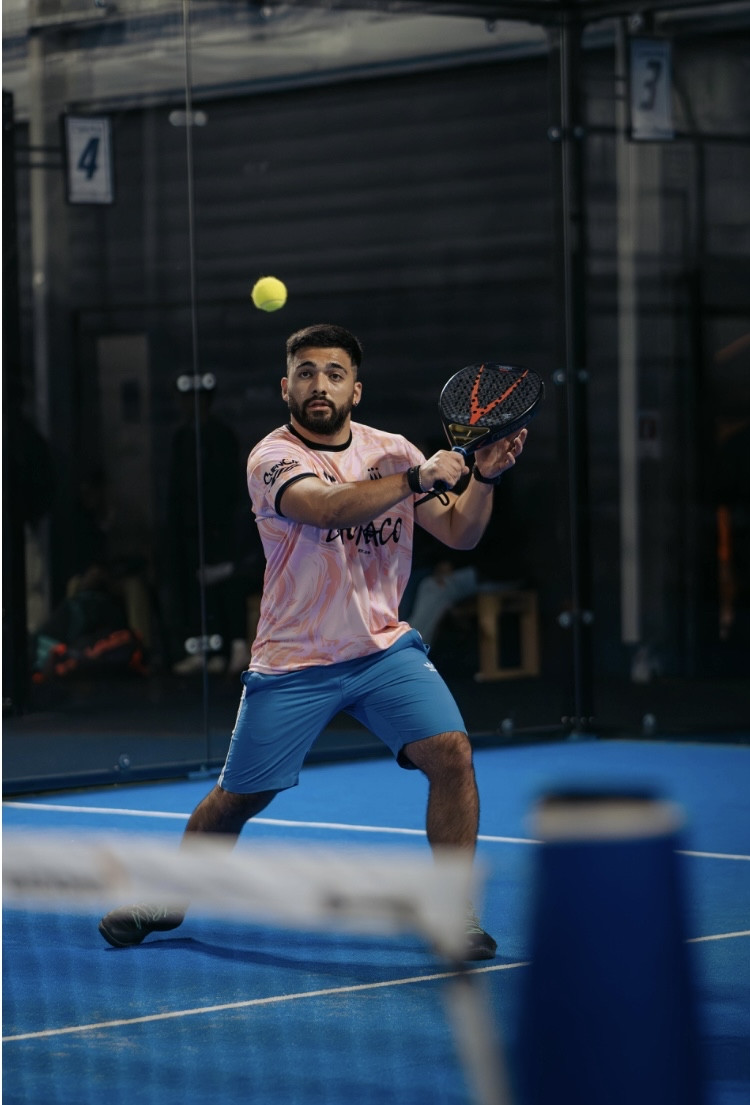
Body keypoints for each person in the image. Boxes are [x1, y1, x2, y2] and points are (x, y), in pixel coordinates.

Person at [99, 324, 528, 960]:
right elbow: (326, 508)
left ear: (357, 389)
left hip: (382, 651)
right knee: (240, 798)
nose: (319, 384)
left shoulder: (392, 449)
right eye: (305, 373)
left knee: (452, 754)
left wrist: (483, 480)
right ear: (286, 387)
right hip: (294, 659)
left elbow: (459, 534)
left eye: (333, 373)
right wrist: (417, 479)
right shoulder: (272, 457)